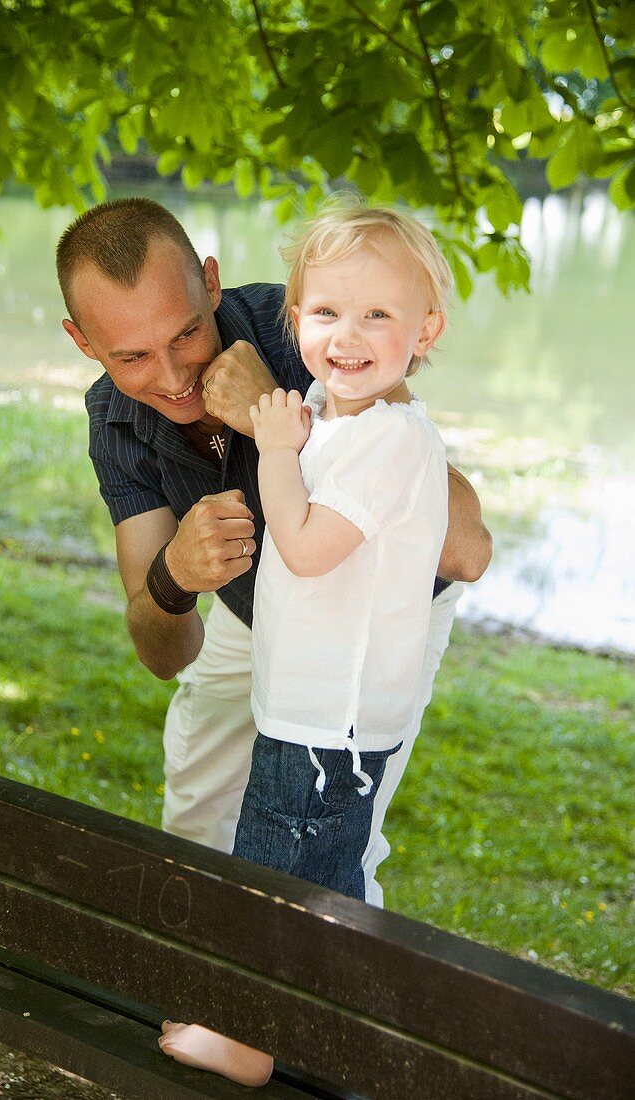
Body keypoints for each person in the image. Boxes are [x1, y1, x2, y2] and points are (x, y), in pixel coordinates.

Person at [56, 196, 491, 906]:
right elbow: (165, 652)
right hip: (253, 611)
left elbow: (467, 550)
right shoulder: (115, 420)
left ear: (212, 283)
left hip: (362, 629)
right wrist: (173, 577)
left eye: (186, 335)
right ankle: (213, 994)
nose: (170, 377)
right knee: (200, 818)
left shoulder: (306, 330)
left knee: (330, 841)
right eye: (131, 356)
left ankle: (306, 1004)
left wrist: (275, 422)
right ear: (84, 344)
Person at [157, 202, 458, 1085]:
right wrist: (297, 432)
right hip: (311, 710)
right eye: (326, 312)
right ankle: (323, 1029)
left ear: (425, 332)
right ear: (295, 321)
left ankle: (254, 1034)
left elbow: (306, 545)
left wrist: (273, 448)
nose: (349, 335)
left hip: (335, 722)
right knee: (303, 868)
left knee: (284, 871)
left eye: (379, 316)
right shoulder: (338, 416)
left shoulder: (393, 440)